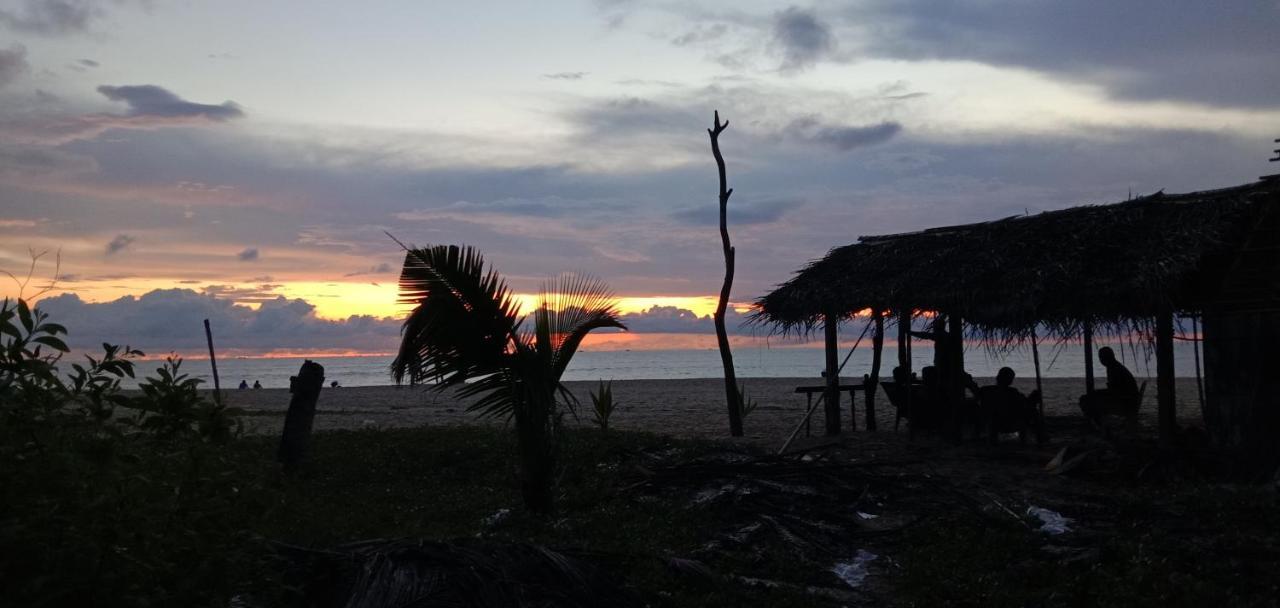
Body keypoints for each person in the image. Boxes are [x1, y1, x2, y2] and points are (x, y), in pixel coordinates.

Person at [1078, 347, 1141, 425]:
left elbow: (1115, 391)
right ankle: (1096, 422)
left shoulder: (1114, 369)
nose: (1101, 359)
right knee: (1090, 397)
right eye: (1100, 357)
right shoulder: (1114, 367)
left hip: (1126, 403)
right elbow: (1115, 390)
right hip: (1127, 400)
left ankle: (1096, 423)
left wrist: (1098, 393)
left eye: (1101, 357)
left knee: (1087, 400)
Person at [978, 367, 1041, 443]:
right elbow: (1025, 405)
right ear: (1010, 381)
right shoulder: (1013, 393)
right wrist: (1033, 399)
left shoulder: (985, 391)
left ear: (997, 377)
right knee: (1033, 411)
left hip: (992, 423)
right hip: (1011, 424)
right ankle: (1040, 436)